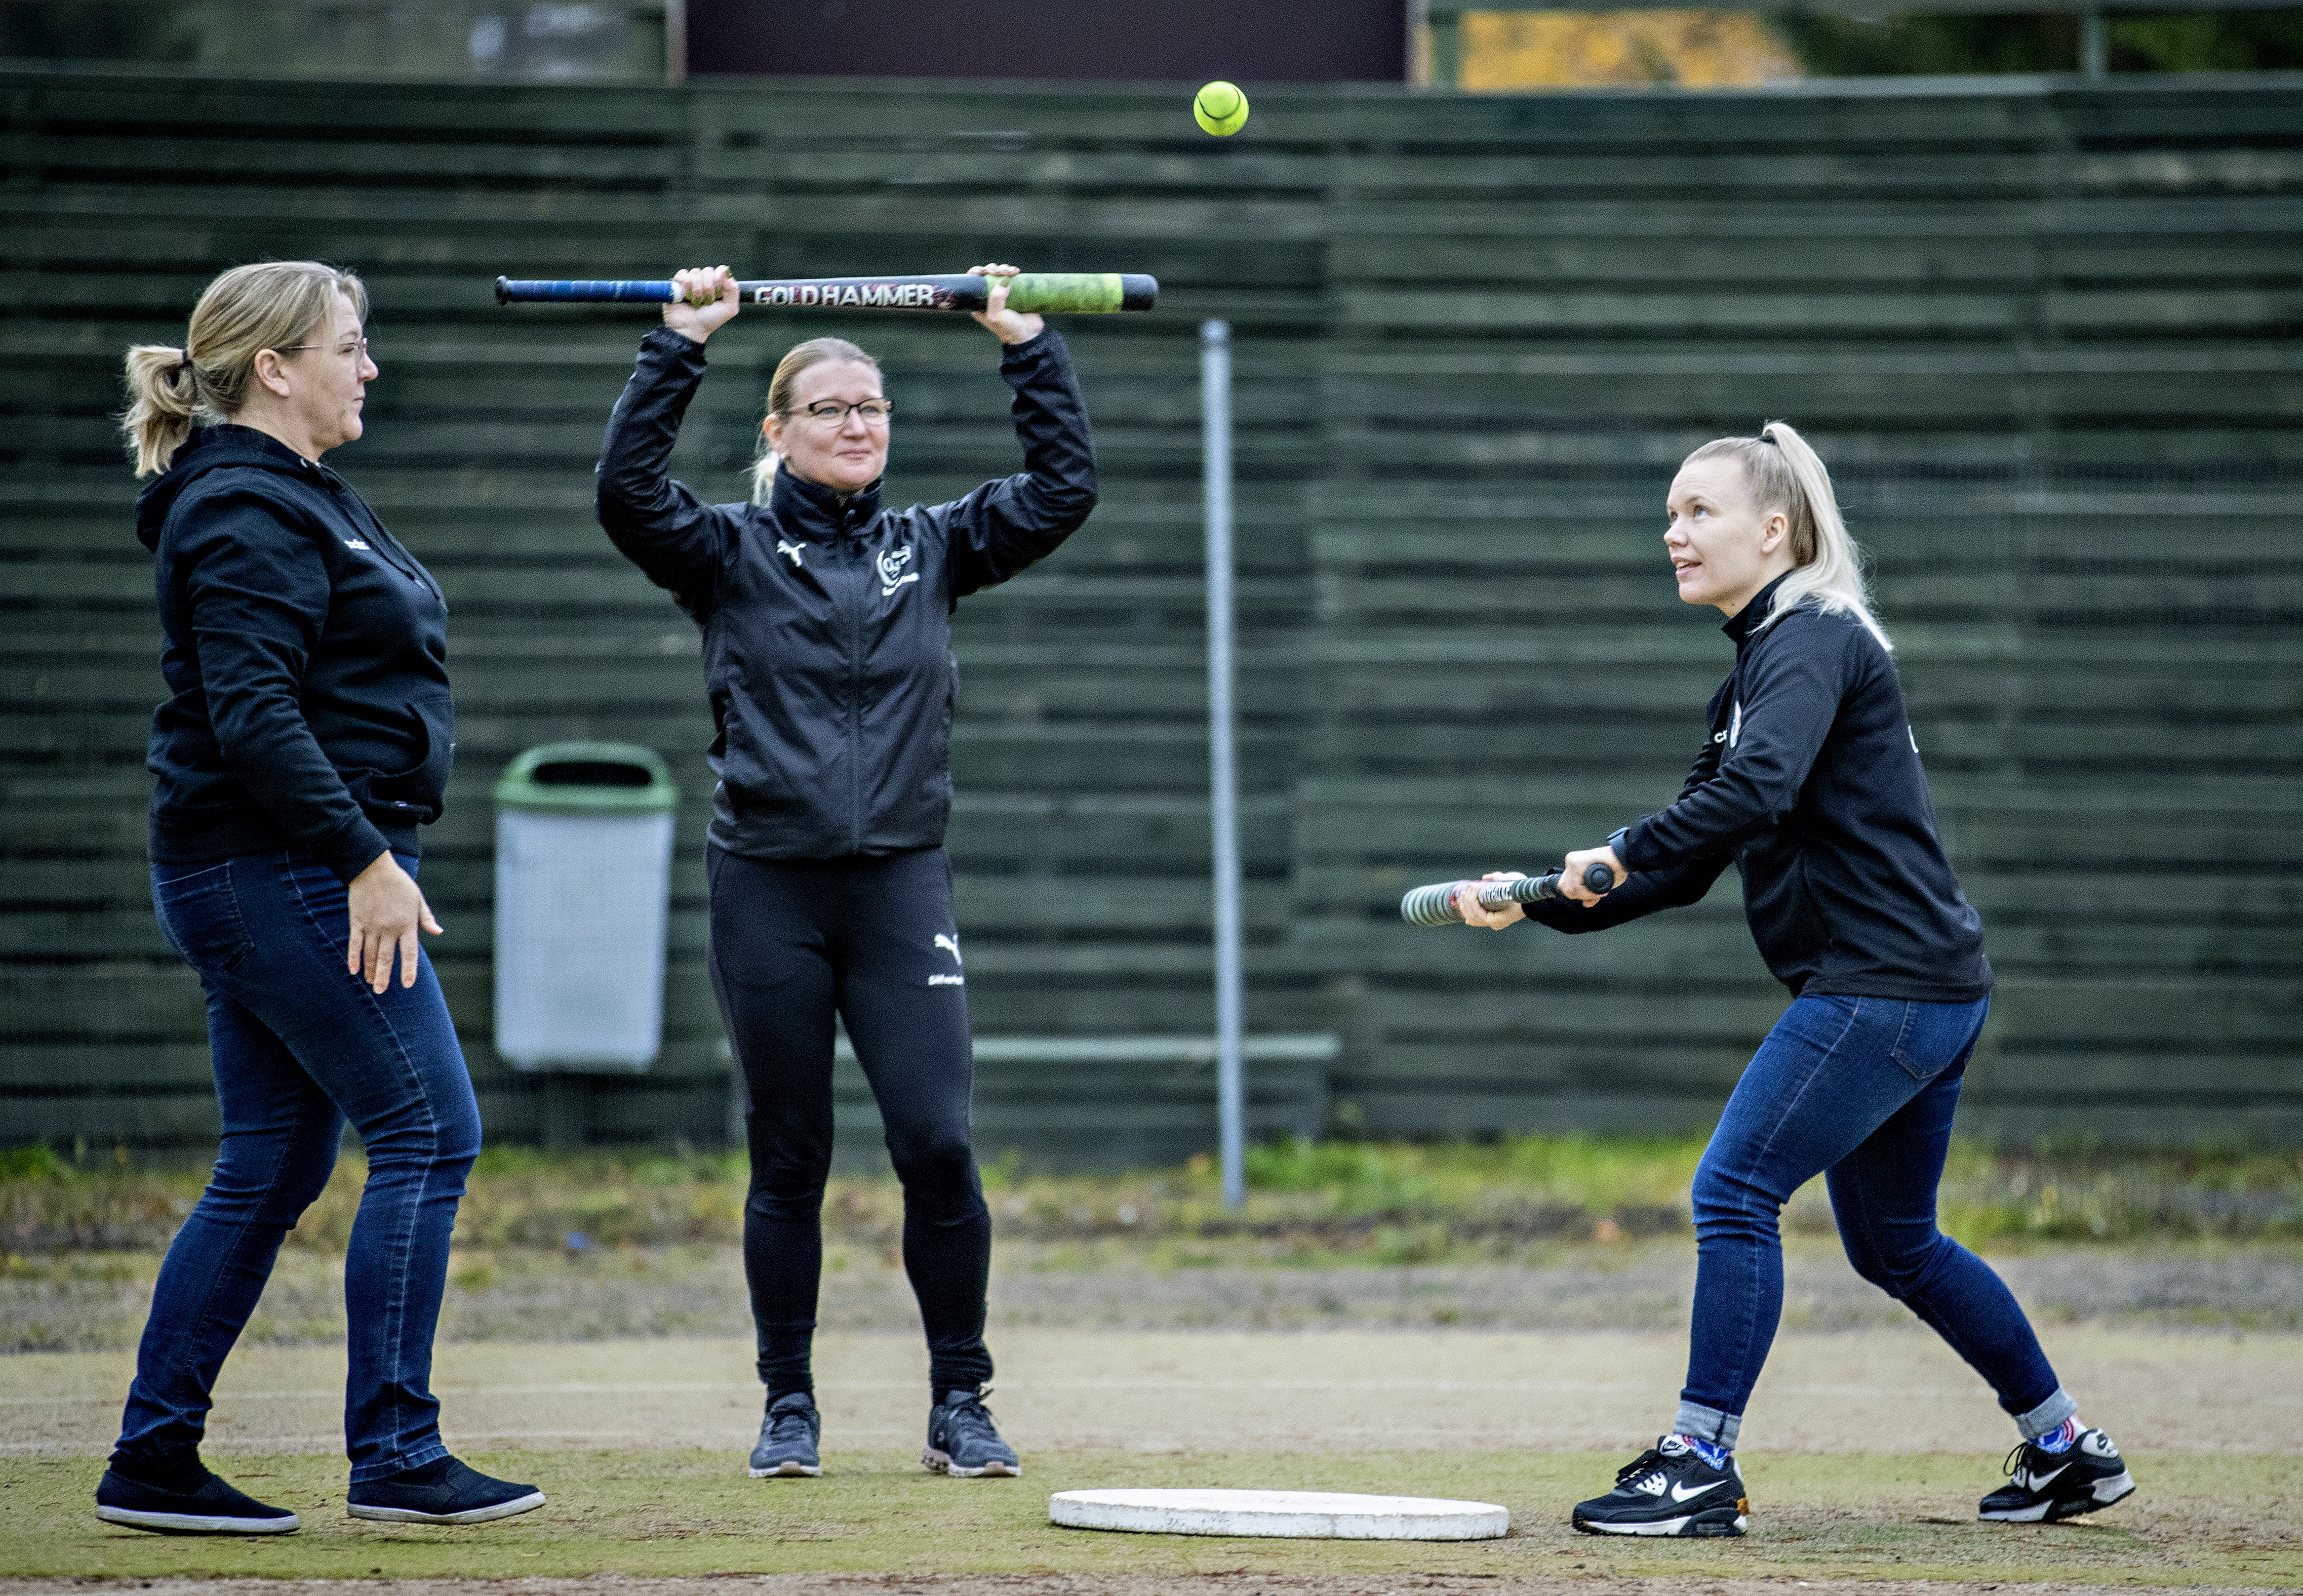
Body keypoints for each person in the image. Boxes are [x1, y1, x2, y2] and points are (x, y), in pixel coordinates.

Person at [1456, 422, 2136, 1537]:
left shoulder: (1813, 634)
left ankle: (1696, 1460)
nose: (1673, 532)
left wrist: (1618, 845)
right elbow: (1680, 866)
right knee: (1895, 1243)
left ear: (1774, 530)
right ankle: (2067, 1448)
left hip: (1884, 987)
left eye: (1698, 512)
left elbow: (1752, 792)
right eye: (1670, 514)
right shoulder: (1757, 670)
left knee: (1732, 1190)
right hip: (1924, 987)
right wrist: (1534, 892)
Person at [594, 262, 1098, 1482]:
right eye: (827, 407)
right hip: (766, 885)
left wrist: (1021, 338)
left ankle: (960, 1399)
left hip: (899, 888)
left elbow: (1063, 487)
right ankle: (787, 1403)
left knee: (935, 1143)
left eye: (870, 407)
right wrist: (680, 343)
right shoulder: (725, 552)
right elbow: (624, 491)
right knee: (790, 1154)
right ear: (777, 432)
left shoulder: (932, 546)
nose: (856, 423)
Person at [106, 261, 543, 1535]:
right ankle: (397, 1452)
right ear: (274, 367)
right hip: (281, 867)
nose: (369, 366)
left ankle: (153, 1456)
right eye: (349, 346)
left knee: (274, 1159)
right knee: (429, 1129)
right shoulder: (242, 509)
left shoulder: (291, 493)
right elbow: (252, 715)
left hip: (276, 862)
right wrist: (365, 858)